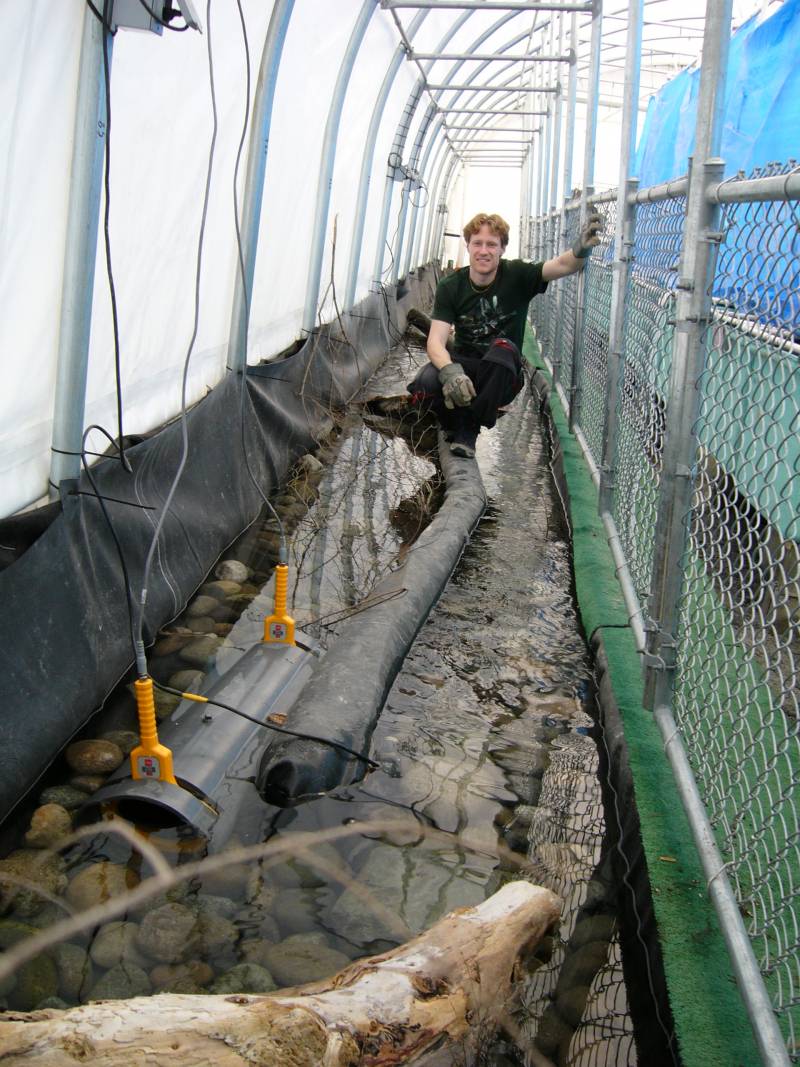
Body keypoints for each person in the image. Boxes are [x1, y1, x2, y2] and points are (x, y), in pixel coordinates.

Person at [408, 211, 602, 458]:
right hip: (466, 365)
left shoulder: (517, 275)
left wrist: (581, 248)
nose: (484, 251)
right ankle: (449, 421)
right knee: (425, 381)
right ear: (467, 245)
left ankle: (469, 427)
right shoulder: (451, 286)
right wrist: (451, 372)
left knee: (502, 348)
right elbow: (435, 342)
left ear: (502, 249)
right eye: (477, 243)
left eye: (492, 244)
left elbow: (563, 265)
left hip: (503, 373)